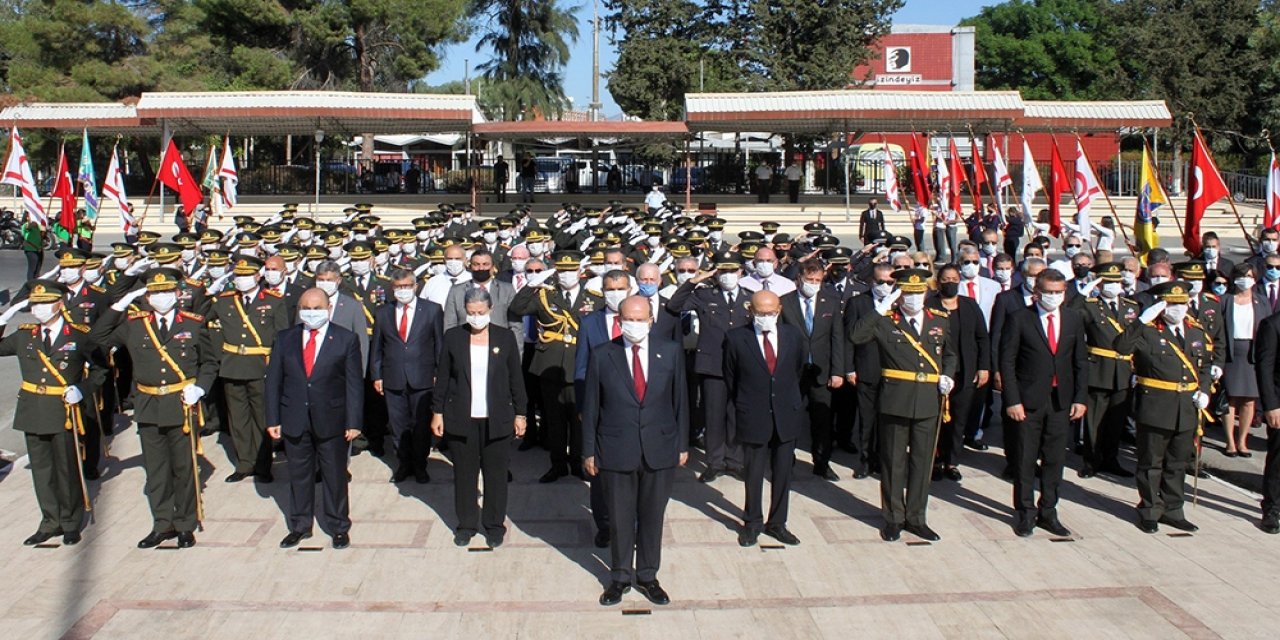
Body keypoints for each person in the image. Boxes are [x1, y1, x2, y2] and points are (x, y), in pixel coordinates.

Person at [92, 269, 218, 549]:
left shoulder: (194, 324)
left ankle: (185, 524)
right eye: (155, 293)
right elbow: (97, 339)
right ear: (147, 297)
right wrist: (118, 307)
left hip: (181, 404)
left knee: (183, 467)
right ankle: (163, 524)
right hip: (148, 405)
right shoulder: (134, 325)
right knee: (156, 470)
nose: (161, 297)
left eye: (167, 292)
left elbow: (210, 362)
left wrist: (200, 387)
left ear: (177, 294)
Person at [582, 296, 689, 607]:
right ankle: (619, 576)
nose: (634, 324)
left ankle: (647, 574)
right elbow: (591, 408)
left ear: (651, 320)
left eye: (641, 319)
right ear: (619, 320)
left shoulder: (669, 352)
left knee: (653, 515)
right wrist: (589, 451)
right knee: (619, 516)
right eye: (628, 318)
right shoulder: (603, 355)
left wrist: (682, 444)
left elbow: (680, 400)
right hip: (616, 448)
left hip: (659, 447)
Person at [852, 269, 957, 542]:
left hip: (928, 400)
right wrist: (880, 308)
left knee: (922, 463)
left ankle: (916, 517)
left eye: (918, 292)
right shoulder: (886, 320)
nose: (914, 298)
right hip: (895, 399)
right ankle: (893, 517)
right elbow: (857, 336)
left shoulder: (940, 320)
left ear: (927, 292)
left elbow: (950, 353)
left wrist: (948, 374)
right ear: (899, 294)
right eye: (908, 293)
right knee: (893, 461)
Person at [0, 281, 106, 546]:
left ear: (60, 303)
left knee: (66, 467)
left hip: (62, 410)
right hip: (33, 410)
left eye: (46, 303)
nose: (40, 309)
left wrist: (82, 389)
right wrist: (4, 317)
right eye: (36, 305)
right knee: (42, 471)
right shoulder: (25, 335)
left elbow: (100, 369)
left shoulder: (78, 335)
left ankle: (70, 521)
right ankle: (49, 520)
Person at [265, 288, 363, 550]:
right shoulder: (285, 338)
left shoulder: (345, 339)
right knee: (298, 475)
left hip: (332, 419)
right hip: (295, 417)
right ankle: (300, 525)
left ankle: (338, 525)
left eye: (317, 308)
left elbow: (353, 384)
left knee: (334, 476)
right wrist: (273, 418)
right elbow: (274, 380)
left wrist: (354, 422)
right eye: (306, 308)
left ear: (328, 309)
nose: (312, 312)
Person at [1114, 281, 1213, 534]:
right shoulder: (1147, 332)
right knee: (1151, 462)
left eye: (1181, 304)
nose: (1177, 309)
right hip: (1156, 406)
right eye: (1171, 304)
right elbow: (1121, 347)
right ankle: (1149, 509)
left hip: (1186, 409)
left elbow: (1202, 366)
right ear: (1160, 305)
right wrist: (1140, 322)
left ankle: (1173, 509)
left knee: (1177, 462)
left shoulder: (1196, 332)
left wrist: (1204, 390)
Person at [430, 287, 526, 548]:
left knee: (495, 475)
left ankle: (494, 524)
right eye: (471, 313)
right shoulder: (453, 337)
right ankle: (466, 524)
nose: (475, 318)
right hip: (462, 416)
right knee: (465, 474)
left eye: (480, 313)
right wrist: (437, 411)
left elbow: (516, 379)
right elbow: (443, 378)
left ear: (490, 310)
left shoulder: (504, 338)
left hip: (497, 418)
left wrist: (521, 413)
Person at [999, 269, 1087, 538]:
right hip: (1028, 401)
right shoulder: (1020, 319)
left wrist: (1080, 398)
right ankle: (1025, 512)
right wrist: (1012, 400)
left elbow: (1080, 362)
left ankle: (1049, 510)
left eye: (1058, 292)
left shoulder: (1072, 319)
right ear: (1037, 292)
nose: (1053, 297)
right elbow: (1008, 362)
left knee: (1055, 459)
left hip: (1061, 400)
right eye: (1048, 292)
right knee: (1026, 458)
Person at [509, 250, 603, 483]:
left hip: (580, 365)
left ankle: (578, 462)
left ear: (580, 272)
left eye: (571, 270)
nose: (567, 274)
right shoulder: (545, 295)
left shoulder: (594, 297)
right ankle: (557, 464)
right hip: (549, 364)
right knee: (554, 419)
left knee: (579, 419)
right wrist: (533, 284)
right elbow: (517, 308)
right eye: (562, 270)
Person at [726, 290, 805, 547]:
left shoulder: (793, 336)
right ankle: (752, 522)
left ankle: (778, 522)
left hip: (786, 413)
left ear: (779, 310)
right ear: (751, 311)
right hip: (753, 414)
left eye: (770, 313)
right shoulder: (736, 338)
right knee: (753, 472)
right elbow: (731, 377)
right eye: (760, 313)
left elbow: (797, 369)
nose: (765, 317)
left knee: (783, 473)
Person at [667, 252, 752, 483]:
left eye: (731, 271)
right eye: (722, 271)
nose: (727, 276)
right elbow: (675, 306)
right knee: (713, 416)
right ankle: (714, 462)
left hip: (740, 365)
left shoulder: (749, 297)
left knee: (735, 414)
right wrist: (693, 280)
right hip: (712, 364)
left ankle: (734, 461)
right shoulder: (704, 295)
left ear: (740, 272)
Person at [205, 256, 290, 483]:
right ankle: (244, 463)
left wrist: (278, 368)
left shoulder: (273, 300)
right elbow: (202, 318)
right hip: (232, 366)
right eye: (237, 276)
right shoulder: (224, 301)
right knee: (238, 418)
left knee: (261, 417)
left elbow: (282, 336)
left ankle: (263, 466)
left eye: (246, 275)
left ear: (257, 275)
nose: (241, 280)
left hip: (260, 366)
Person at [370, 268, 444, 484]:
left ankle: (420, 465)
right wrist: (377, 375)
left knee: (420, 424)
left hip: (422, 377)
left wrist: (438, 373)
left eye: (406, 286)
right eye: (398, 287)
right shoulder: (383, 312)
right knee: (398, 425)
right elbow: (377, 347)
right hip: (393, 377)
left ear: (415, 286)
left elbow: (439, 344)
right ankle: (403, 464)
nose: (402, 291)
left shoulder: (431, 310)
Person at [780, 261, 845, 480]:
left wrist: (838, 371)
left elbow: (837, 338)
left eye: (818, 281)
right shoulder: (785, 302)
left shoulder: (831, 303)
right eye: (810, 280)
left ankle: (822, 462)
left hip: (821, 371)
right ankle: (786, 460)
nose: (813, 285)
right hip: (792, 372)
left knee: (822, 420)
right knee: (790, 417)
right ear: (799, 279)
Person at [1075, 262, 1139, 479]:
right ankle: (1091, 460)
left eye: (1116, 281)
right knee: (1094, 420)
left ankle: (1111, 459)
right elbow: (1071, 315)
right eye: (1108, 282)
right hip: (1098, 368)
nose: (1113, 286)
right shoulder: (1090, 305)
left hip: (1123, 371)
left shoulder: (1132, 306)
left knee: (1116, 420)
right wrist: (1081, 293)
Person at [927, 264, 990, 482]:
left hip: (965, 373)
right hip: (937, 371)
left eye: (954, 278)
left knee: (958, 419)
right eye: (946, 279)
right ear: (938, 281)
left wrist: (983, 367)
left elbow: (982, 337)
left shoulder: (970, 305)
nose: (950, 283)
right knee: (935, 418)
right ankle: (934, 460)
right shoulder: (929, 304)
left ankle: (951, 462)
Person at [1222, 264, 1266, 457]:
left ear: (1255, 279)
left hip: (1253, 354)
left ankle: (1242, 441)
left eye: (1249, 276)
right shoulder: (1225, 301)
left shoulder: (1261, 302)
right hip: (1231, 353)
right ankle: (1230, 441)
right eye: (1241, 276)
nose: (1245, 279)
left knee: (1249, 400)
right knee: (1230, 399)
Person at [1254, 304, 1280, 533]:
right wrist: (1270, 405)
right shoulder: (1272, 325)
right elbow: (1265, 368)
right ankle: (1272, 508)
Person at [21, 212, 44, 281]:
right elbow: (28, 227)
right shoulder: (26, 225)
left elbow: (42, 233)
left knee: (38, 268)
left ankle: (36, 282)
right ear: (27, 217)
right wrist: (34, 223)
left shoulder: (37, 225)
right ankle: (30, 283)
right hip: (31, 249)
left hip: (39, 249)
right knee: (32, 268)